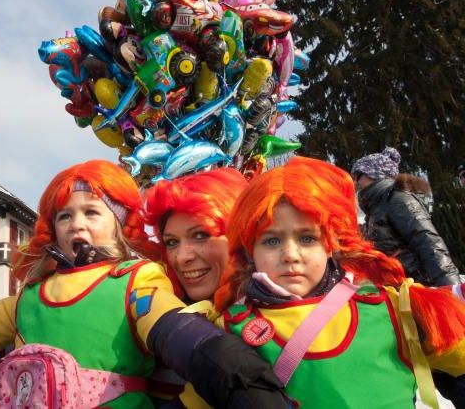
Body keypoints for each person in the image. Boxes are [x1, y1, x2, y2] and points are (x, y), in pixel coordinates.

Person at [0, 159, 286, 408]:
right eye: (65, 215)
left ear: (119, 228)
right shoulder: (31, 296)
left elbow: (175, 331)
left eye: (92, 213)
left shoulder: (134, 280)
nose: (76, 224)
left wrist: (233, 372)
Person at [214, 157, 465, 408]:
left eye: (307, 238)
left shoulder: (398, 309)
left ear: (331, 245)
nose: (290, 254)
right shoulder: (229, 327)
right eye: (271, 241)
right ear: (249, 251)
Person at [143, 167, 249, 406]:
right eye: (171, 242)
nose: (181, 257)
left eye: (200, 235)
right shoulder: (151, 323)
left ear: (240, 236)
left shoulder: (276, 320)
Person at [352, 146, 461, 287]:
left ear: (375, 174)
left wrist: (451, 288)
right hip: (397, 288)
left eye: (358, 176)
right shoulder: (376, 208)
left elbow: (428, 242)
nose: (355, 183)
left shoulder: (398, 199)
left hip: (418, 287)